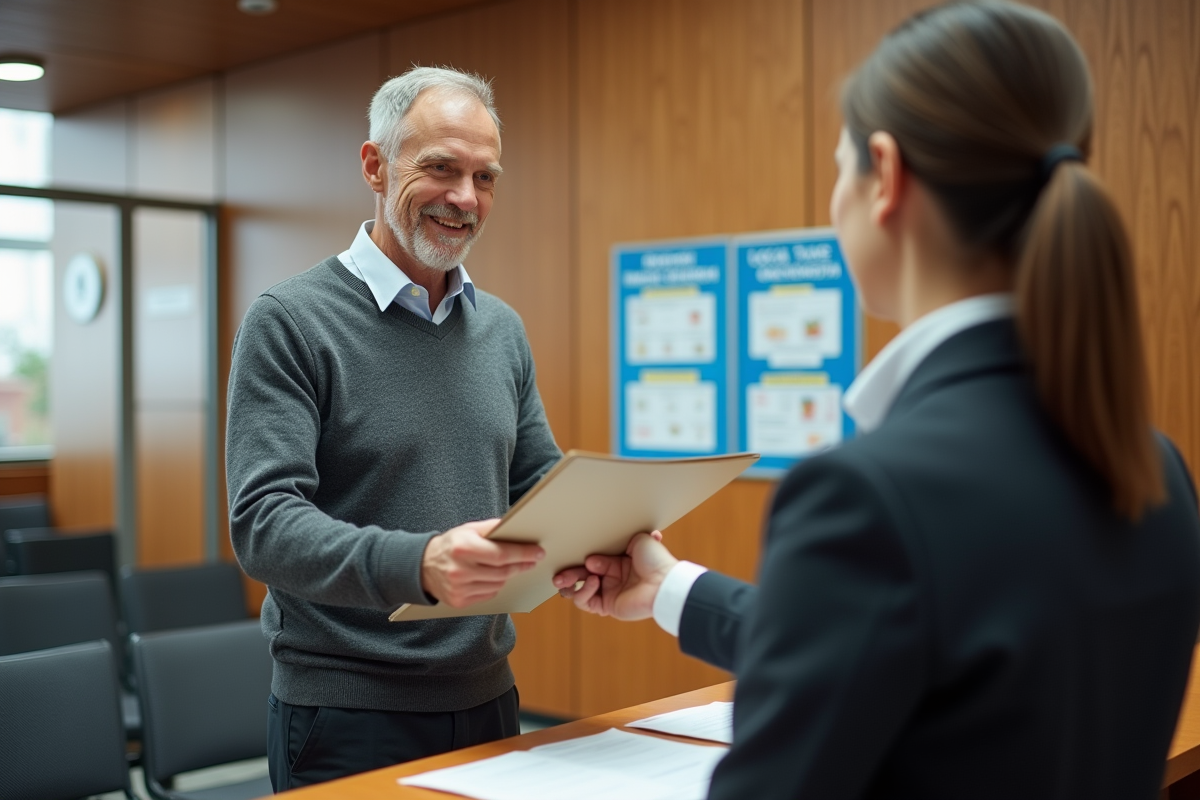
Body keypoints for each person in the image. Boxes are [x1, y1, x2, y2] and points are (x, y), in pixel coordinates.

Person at [555, 3, 1200, 798]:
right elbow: (933, 655)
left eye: (839, 167)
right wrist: (671, 590)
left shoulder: (869, 495)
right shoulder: (1155, 469)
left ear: (886, 176)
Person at [226, 66, 561, 791]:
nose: (465, 198)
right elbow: (264, 525)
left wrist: (614, 525)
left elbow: (538, 481)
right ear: (375, 167)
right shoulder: (289, 322)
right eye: (440, 168)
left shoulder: (501, 329)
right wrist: (420, 564)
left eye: (485, 177)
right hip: (345, 713)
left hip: (488, 696)